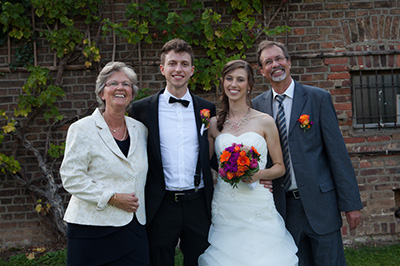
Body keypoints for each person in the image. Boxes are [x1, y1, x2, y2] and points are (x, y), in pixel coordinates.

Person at [252, 40, 363, 266]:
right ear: (262, 71)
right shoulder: (257, 106)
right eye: (268, 62)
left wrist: (351, 204)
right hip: (283, 208)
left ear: (289, 62)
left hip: (321, 204)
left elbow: (337, 154)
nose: (275, 64)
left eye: (279, 58)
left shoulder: (318, 98)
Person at [198, 59, 298, 266]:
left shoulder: (265, 121)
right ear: (223, 82)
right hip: (226, 205)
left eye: (240, 80)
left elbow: (280, 167)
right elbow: (202, 160)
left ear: (249, 85)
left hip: (257, 203)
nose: (234, 84)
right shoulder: (214, 124)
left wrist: (258, 174)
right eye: (229, 79)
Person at [129, 39, 216, 266]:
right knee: (158, 261)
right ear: (162, 69)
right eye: (173, 63)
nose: (179, 69)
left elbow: (216, 153)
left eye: (184, 64)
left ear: (192, 70)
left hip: (198, 202)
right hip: (161, 203)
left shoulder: (207, 109)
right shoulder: (141, 109)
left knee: (200, 260)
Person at [60, 61, 149, 265]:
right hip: (92, 229)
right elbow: (72, 178)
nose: (120, 88)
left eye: (126, 84)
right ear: (102, 93)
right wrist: (112, 198)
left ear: (132, 94)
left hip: (133, 227)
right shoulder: (81, 129)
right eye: (112, 83)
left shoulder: (141, 130)